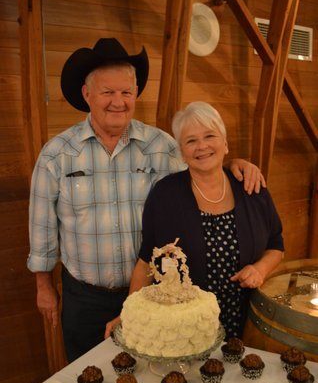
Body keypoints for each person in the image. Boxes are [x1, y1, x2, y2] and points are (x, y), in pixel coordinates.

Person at [28, 39, 266, 362]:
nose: (118, 102)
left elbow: (202, 171)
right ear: (87, 95)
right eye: (107, 92)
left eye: (126, 92)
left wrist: (235, 165)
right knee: (89, 382)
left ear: (136, 93)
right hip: (84, 300)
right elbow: (42, 228)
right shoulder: (56, 155)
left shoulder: (162, 146)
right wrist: (44, 286)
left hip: (152, 296)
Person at [106, 102, 284, 339]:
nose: (202, 146)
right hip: (183, 329)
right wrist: (129, 312)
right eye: (191, 140)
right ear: (181, 152)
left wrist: (259, 269)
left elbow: (276, 244)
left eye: (210, 136)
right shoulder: (165, 195)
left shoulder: (251, 187)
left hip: (247, 324)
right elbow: (147, 260)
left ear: (225, 144)